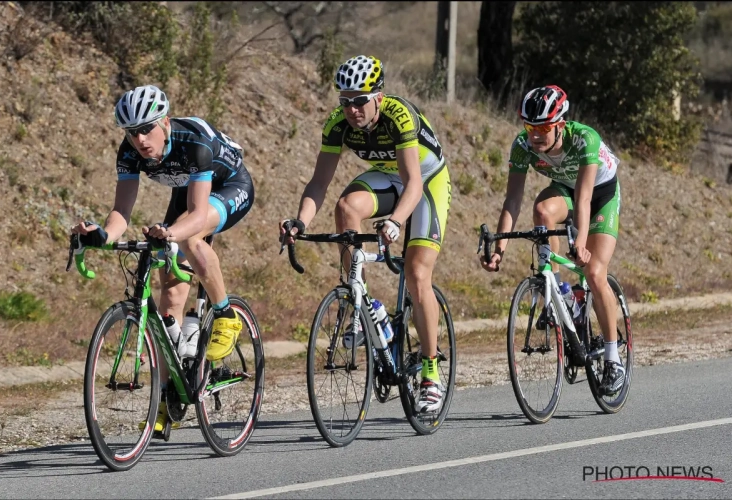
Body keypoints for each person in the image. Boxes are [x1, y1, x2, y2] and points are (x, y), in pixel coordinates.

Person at [71, 84, 255, 431]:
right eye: (131, 132)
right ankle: (168, 400)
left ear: (165, 122)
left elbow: (198, 215)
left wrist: (171, 233)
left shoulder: (193, 142)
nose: (139, 140)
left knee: (191, 237)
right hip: (188, 189)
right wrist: (101, 235)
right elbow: (121, 212)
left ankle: (226, 314)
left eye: (145, 129)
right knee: (169, 295)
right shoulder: (128, 152)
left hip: (230, 186)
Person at [278, 55, 452, 413]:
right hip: (387, 176)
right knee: (346, 209)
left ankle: (431, 371)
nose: (352, 109)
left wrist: (395, 222)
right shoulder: (338, 124)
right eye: (345, 101)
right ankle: (362, 300)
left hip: (425, 182)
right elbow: (319, 183)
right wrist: (300, 222)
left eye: (360, 100)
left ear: (379, 97)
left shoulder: (399, 116)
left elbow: (414, 184)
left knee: (417, 273)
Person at [479, 85, 625, 395]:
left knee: (595, 273)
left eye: (543, 128)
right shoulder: (522, 145)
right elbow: (513, 199)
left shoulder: (584, 139)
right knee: (542, 210)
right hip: (565, 189)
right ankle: (559, 291)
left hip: (601, 194)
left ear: (560, 124)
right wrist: (500, 248)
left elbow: (585, 199)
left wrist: (581, 242)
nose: (535, 134)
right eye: (530, 126)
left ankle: (614, 359)